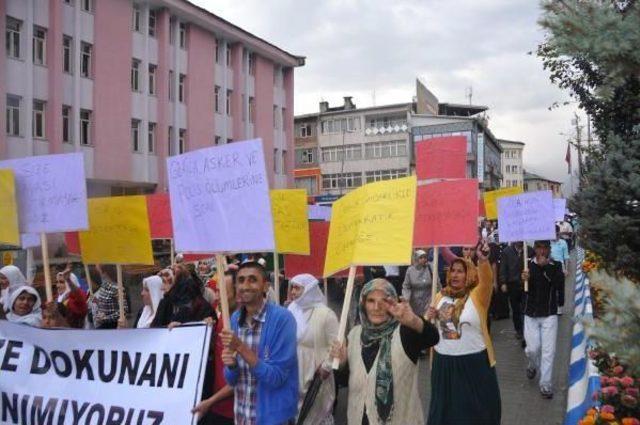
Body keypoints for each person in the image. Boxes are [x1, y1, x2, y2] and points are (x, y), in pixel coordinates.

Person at [331, 279, 439, 425]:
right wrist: (342, 363)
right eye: (371, 300)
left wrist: (413, 320)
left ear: (394, 302)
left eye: (384, 301)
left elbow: (432, 337)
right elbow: (347, 381)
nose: (377, 307)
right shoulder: (354, 335)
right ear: (363, 304)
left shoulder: (405, 332)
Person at [425, 242, 501, 425]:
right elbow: (428, 327)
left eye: (460, 271)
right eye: (452, 270)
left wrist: (483, 261)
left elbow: (486, 280)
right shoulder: (439, 296)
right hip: (444, 366)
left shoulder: (477, 296)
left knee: (475, 415)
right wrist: (428, 317)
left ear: (468, 274)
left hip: (473, 365)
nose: (455, 275)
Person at [221, 261, 298, 425]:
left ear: (265, 286)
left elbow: (277, 378)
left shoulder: (283, 319)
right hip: (242, 415)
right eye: (241, 280)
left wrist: (241, 347)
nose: (245, 285)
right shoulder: (234, 319)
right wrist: (232, 366)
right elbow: (231, 380)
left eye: (252, 280)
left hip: (273, 419)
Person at [287, 274, 339, 424]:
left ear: (309, 289)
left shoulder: (326, 314)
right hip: (294, 373)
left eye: (297, 288)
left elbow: (336, 345)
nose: (293, 292)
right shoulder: (291, 309)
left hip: (316, 374)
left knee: (315, 414)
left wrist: (326, 367)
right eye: (292, 288)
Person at [521, 240, 565, 399]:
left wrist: (545, 267)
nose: (541, 250)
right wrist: (523, 279)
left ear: (549, 249)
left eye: (545, 247)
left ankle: (545, 384)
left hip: (549, 313)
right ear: (535, 248)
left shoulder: (556, 265)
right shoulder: (527, 264)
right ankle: (532, 365)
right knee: (533, 349)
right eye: (539, 247)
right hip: (530, 313)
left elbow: (559, 284)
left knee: (548, 351)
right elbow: (521, 291)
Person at [192, 270, 237, 425]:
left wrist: (210, 402)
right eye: (216, 291)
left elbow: (241, 377)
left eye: (222, 292)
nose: (217, 297)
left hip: (232, 410)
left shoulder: (242, 327)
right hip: (215, 405)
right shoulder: (221, 319)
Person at [499, 241, 532, 341]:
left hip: (526, 283)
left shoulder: (529, 250)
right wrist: (503, 282)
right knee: (515, 309)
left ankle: (526, 330)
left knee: (525, 308)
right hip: (512, 283)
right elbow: (503, 267)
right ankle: (519, 330)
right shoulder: (506, 251)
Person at [92, 265, 129, 329]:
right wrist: (97, 302)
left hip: (112, 327)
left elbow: (123, 310)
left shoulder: (117, 289)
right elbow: (105, 305)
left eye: (99, 271)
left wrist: (105, 318)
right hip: (102, 325)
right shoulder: (103, 286)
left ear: (104, 272)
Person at [402, 249, 433, 316]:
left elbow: (437, 285)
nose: (423, 259)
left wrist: (435, 299)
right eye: (421, 257)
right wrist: (406, 298)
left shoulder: (430, 268)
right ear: (416, 258)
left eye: (425, 257)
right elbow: (406, 286)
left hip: (428, 301)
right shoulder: (410, 270)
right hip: (414, 302)